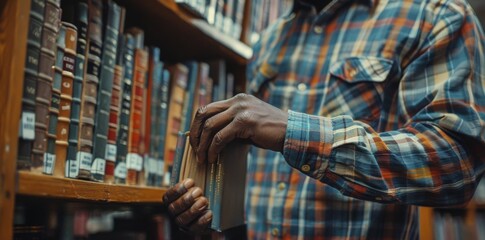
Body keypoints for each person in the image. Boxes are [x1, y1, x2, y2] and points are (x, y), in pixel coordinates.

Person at [163, 0, 485, 238]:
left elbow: (456, 162)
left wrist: (293, 131)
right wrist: (212, 212)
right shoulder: (269, 39)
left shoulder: (435, 16)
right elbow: (260, 179)